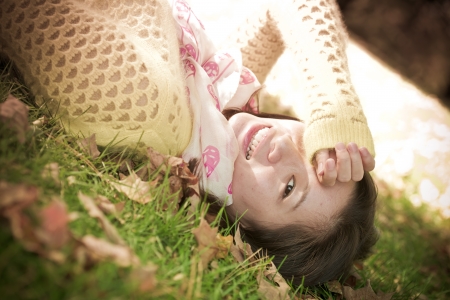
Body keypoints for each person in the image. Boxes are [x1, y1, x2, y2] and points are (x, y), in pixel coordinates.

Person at [0, 0, 378, 287]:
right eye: (314, 151)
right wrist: (333, 103)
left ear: (242, 230)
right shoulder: (217, 102)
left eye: (290, 187)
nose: (284, 148)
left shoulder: (151, 108)